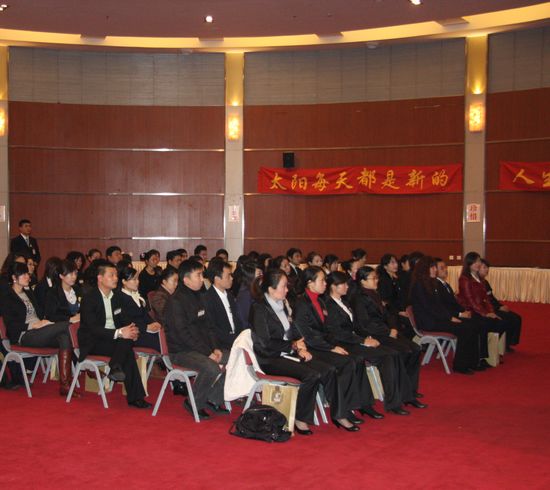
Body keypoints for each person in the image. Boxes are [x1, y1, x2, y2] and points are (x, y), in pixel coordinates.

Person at [251, 269, 356, 435]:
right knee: (311, 375)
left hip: (288, 353)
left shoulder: (281, 304)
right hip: (270, 358)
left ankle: (340, 414)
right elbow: (265, 343)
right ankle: (300, 418)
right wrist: (293, 346)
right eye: (284, 286)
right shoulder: (259, 308)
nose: (287, 290)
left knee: (328, 369)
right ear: (271, 289)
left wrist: (300, 345)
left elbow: (292, 329)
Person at [293, 266, 377, 428]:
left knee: (357, 360)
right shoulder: (301, 303)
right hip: (312, 348)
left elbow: (327, 330)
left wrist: (334, 344)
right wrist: (330, 348)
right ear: (310, 283)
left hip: (323, 345)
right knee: (346, 362)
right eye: (322, 280)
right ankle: (344, 411)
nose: (325, 283)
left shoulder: (319, 300)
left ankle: (361, 404)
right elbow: (307, 336)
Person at [325, 271, 415, 417]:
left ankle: (401, 397)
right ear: (334, 287)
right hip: (344, 343)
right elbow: (338, 333)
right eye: (343, 284)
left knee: (392, 354)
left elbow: (356, 325)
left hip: (355, 339)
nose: (347, 286)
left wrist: (365, 337)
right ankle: (374, 404)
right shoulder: (328, 305)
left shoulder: (344, 301)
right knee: (385, 356)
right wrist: (363, 340)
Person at [351, 266, 425, 413]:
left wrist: (393, 327)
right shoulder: (358, 298)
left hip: (387, 331)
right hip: (375, 334)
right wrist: (387, 331)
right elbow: (365, 325)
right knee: (400, 352)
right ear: (363, 281)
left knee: (415, 349)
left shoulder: (375, 294)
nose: (377, 281)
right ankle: (401, 396)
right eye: (373, 278)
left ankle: (409, 391)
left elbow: (388, 314)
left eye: (376, 277)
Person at [79, 260, 150, 408]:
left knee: (127, 341)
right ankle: (134, 396)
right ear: (100, 278)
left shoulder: (117, 296)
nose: (116, 278)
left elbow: (124, 319)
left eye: (116, 275)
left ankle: (116, 366)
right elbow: (93, 328)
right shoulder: (89, 298)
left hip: (114, 341)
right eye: (111, 275)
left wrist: (132, 330)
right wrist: (120, 332)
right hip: (93, 341)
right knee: (126, 347)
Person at [164, 259, 228, 419]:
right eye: (198, 275)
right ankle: (193, 402)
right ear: (186, 280)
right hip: (181, 351)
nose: (202, 279)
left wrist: (215, 348)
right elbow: (183, 335)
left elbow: (209, 326)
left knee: (235, 359)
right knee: (212, 367)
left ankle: (213, 398)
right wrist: (208, 353)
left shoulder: (200, 296)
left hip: (201, 348)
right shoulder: (175, 302)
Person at [2, 262, 78, 396]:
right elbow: (11, 325)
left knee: (65, 337)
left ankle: (65, 386)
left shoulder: (28, 293)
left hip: (40, 331)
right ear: (14, 277)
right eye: (24, 274)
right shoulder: (7, 297)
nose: (28, 277)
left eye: (27, 274)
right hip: (24, 335)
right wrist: (33, 325)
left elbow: (41, 313)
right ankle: (86, 363)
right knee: (68, 326)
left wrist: (43, 322)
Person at [411, 256, 484, 374]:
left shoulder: (431, 284)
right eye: (432, 267)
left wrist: (451, 317)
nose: (435, 270)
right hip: (428, 322)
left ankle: (473, 362)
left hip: (437, 319)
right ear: (424, 269)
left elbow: (439, 306)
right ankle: (460, 365)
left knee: (472, 324)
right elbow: (429, 308)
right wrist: (450, 318)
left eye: (435, 267)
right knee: (465, 328)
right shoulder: (419, 285)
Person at [457, 252, 515, 353]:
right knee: (486, 324)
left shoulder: (481, 279)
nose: (478, 264)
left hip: (480, 309)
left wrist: (491, 311)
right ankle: (482, 353)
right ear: (469, 264)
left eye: (479, 261)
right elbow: (471, 301)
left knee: (501, 322)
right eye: (475, 262)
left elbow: (487, 299)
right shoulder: (464, 279)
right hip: (471, 310)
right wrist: (485, 314)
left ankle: (490, 351)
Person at [479, 259, 522, 352]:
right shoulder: (475, 283)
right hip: (487, 310)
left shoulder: (485, 282)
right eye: (484, 267)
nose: (487, 270)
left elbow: (492, 298)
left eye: (487, 267)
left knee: (517, 318)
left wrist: (501, 306)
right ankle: (494, 346)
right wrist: (497, 308)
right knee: (506, 320)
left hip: (494, 307)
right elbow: (482, 303)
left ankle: (508, 343)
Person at [118, 265, 161, 351]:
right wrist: (146, 327)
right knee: (160, 342)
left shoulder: (136, 295)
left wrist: (154, 323)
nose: (137, 282)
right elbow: (125, 321)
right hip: (135, 333)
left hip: (145, 328)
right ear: (124, 281)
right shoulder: (120, 298)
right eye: (134, 279)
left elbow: (144, 314)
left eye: (137, 279)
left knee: (167, 335)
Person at [203, 259, 243, 350]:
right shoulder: (207, 299)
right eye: (228, 275)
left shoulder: (230, 295)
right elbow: (213, 329)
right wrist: (234, 340)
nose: (232, 278)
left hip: (236, 341)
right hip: (221, 346)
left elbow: (237, 320)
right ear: (217, 279)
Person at [377, 254, 414, 339]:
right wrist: (399, 312)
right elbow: (385, 301)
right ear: (385, 266)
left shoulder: (399, 278)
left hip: (402, 309)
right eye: (392, 263)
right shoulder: (383, 281)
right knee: (410, 324)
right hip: (391, 312)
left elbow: (404, 296)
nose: (396, 265)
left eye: (396, 262)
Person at [44, 259, 82, 325]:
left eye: (75, 273)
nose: (74, 277)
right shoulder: (53, 293)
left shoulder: (78, 289)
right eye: (70, 274)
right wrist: (70, 319)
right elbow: (50, 316)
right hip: (63, 326)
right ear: (61, 276)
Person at [235, 259, 262, 328]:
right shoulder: (245, 295)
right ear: (250, 276)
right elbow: (245, 321)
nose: (262, 276)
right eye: (259, 274)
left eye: (262, 273)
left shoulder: (257, 289)